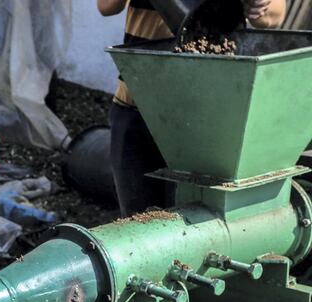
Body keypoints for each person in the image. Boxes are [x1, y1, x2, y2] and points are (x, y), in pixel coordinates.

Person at [98, 0, 287, 216]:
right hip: (139, 105)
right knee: (138, 221)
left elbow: (274, 14)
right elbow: (106, 6)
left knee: (199, 220)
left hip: (210, 111)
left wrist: (259, 6)